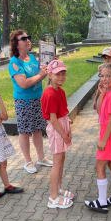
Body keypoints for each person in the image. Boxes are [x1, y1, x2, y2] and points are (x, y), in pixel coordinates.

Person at [8, 30, 53, 174]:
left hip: (38, 100)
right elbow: (24, 83)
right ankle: (28, 161)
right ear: (16, 44)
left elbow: (43, 75)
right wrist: (41, 74)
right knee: (24, 132)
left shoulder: (32, 57)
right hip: (24, 102)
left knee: (38, 129)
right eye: (23, 38)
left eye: (29, 37)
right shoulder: (14, 62)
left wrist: (50, 64)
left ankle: (41, 157)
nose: (28, 40)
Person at [85, 63, 111, 213]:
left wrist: (103, 140)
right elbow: (100, 111)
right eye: (102, 75)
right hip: (110, 134)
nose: (104, 79)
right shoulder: (109, 92)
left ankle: (102, 201)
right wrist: (101, 93)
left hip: (109, 135)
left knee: (99, 167)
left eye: (108, 75)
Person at [41, 60, 74, 209]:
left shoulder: (60, 91)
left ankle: (59, 189)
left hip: (62, 126)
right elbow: (53, 120)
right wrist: (64, 135)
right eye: (57, 74)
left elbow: (64, 113)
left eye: (63, 74)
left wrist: (69, 130)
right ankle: (53, 197)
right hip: (57, 130)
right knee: (57, 162)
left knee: (61, 159)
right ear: (49, 74)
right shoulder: (50, 94)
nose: (61, 77)